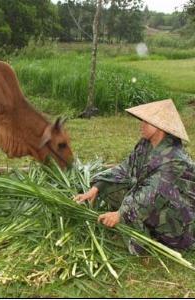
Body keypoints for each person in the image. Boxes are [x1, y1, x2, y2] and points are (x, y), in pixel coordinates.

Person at [74, 99, 195, 253]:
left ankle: (144, 244)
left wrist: (120, 214)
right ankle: (139, 227)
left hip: (178, 222)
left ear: (160, 128)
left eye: (147, 122)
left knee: (133, 209)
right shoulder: (145, 145)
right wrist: (96, 188)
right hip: (151, 202)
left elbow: (151, 195)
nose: (141, 125)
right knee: (110, 187)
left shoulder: (176, 160)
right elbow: (125, 168)